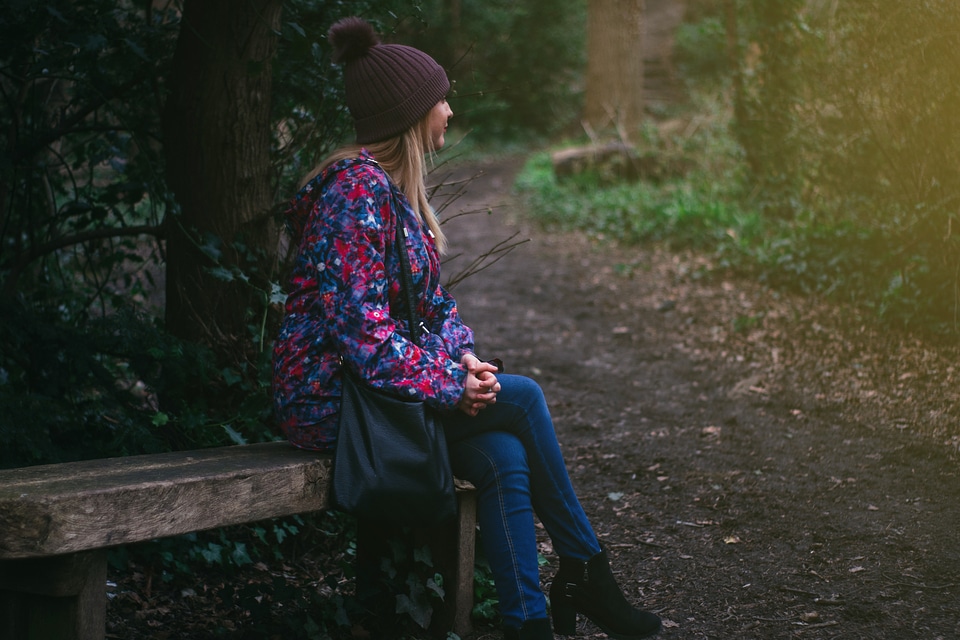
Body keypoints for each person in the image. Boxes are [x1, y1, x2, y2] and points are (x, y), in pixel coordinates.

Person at [271, 16, 662, 640]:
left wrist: (464, 363)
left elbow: (436, 312)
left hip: (378, 397)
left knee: (504, 452)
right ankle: (587, 572)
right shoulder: (354, 194)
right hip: (332, 403)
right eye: (440, 99)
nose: (449, 110)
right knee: (526, 397)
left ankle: (528, 622)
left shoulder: (392, 195)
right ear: (410, 113)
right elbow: (362, 336)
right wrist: (452, 385)